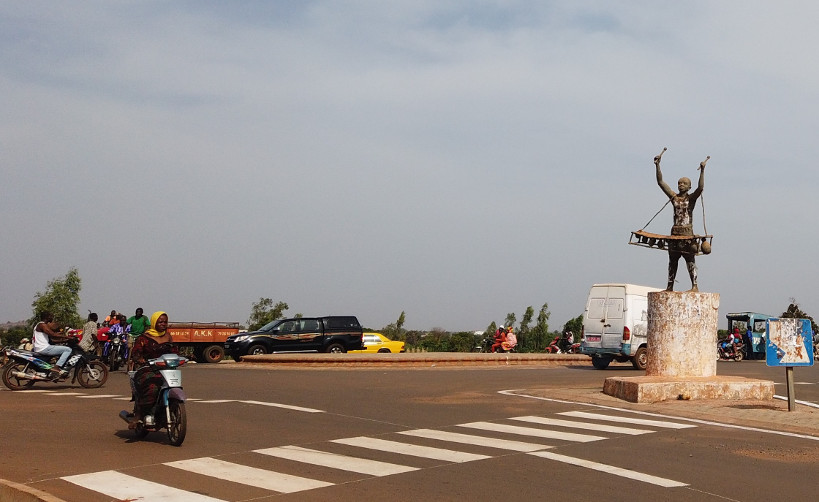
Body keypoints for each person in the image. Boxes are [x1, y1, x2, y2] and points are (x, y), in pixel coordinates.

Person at [655, 151, 707, 291]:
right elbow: (660, 182)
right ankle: (669, 286)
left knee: (690, 261)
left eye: (684, 183)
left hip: (687, 234)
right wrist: (657, 166)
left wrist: (702, 170)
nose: (681, 185)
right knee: (672, 262)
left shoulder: (690, 199)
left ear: (689, 187)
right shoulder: (674, 198)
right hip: (675, 234)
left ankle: (694, 286)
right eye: (679, 183)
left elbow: (700, 187)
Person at [126, 311, 178, 428]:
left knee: (174, 385)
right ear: (154, 322)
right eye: (160, 321)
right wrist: (140, 359)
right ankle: (139, 415)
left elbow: (174, 351)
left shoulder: (168, 336)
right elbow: (136, 353)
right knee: (152, 388)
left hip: (166, 370)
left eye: (165, 322)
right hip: (147, 369)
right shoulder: (144, 337)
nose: (163, 324)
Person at [32, 311, 72, 376]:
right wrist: (69, 337)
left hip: (40, 348)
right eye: (51, 316)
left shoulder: (39, 325)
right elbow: (53, 334)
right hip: (44, 348)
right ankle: (57, 367)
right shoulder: (42, 325)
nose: (52, 318)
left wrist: (65, 340)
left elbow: (51, 341)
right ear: (47, 317)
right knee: (68, 350)